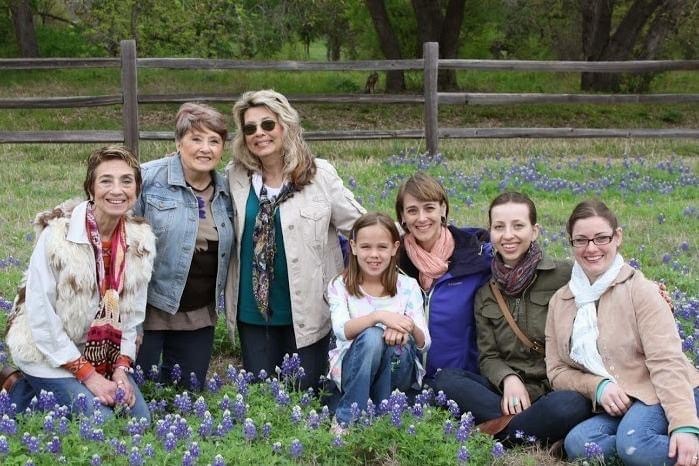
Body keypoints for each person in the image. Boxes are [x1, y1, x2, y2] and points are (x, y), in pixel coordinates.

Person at [225, 89, 364, 390]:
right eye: (250, 128)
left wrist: (411, 239)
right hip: (253, 312)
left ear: (285, 125)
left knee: (305, 395)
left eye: (268, 124)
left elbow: (361, 226)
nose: (259, 133)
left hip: (309, 310)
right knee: (262, 401)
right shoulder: (234, 177)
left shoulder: (318, 175)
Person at [2, 146, 154, 420]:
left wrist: (121, 369)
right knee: (103, 421)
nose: (117, 190)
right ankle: (18, 388)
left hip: (103, 352)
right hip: (47, 349)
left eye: (126, 181)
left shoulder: (140, 241)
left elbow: (132, 317)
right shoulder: (57, 237)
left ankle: (31, 391)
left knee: (139, 419)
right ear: (90, 188)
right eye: (106, 180)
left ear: (136, 190)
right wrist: (89, 377)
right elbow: (41, 317)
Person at [546, 200, 699, 466]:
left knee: (635, 444)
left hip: (660, 391)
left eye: (601, 238)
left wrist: (684, 425)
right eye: (581, 240)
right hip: (621, 403)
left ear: (617, 237)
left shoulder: (640, 290)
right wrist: (597, 386)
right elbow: (556, 370)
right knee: (579, 444)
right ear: (571, 242)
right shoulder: (561, 301)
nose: (591, 248)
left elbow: (667, 361)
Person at [431, 192, 591, 446]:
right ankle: (527, 432)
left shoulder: (565, 275)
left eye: (518, 226)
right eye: (499, 227)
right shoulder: (486, 291)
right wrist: (508, 378)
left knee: (572, 404)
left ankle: (499, 431)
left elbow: (609, 286)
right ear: (490, 232)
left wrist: (651, 289)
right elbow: (488, 356)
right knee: (445, 381)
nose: (508, 235)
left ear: (534, 231)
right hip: (503, 391)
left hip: (552, 388)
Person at [134, 103, 235, 389]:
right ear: (178, 142)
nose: (205, 148)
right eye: (196, 139)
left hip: (197, 314)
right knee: (137, 392)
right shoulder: (146, 178)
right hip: (147, 309)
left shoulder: (228, 190)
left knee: (187, 395)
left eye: (214, 141)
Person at [327, 212, 431, 428]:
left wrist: (407, 327)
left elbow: (424, 344)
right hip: (354, 369)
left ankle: (379, 417)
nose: (374, 254)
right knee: (373, 336)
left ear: (394, 248)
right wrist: (379, 317)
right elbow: (341, 330)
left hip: (397, 368)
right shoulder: (340, 285)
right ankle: (350, 419)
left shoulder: (408, 286)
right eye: (366, 247)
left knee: (397, 346)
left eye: (382, 247)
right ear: (353, 247)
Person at [395, 172, 491, 379]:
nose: (422, 218)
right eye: (412, 210)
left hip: (460, 381)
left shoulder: (476, 257)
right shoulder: (391, 260)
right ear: (402, 216)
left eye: (429, 208)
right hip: (405, 384)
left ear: (443, 209)